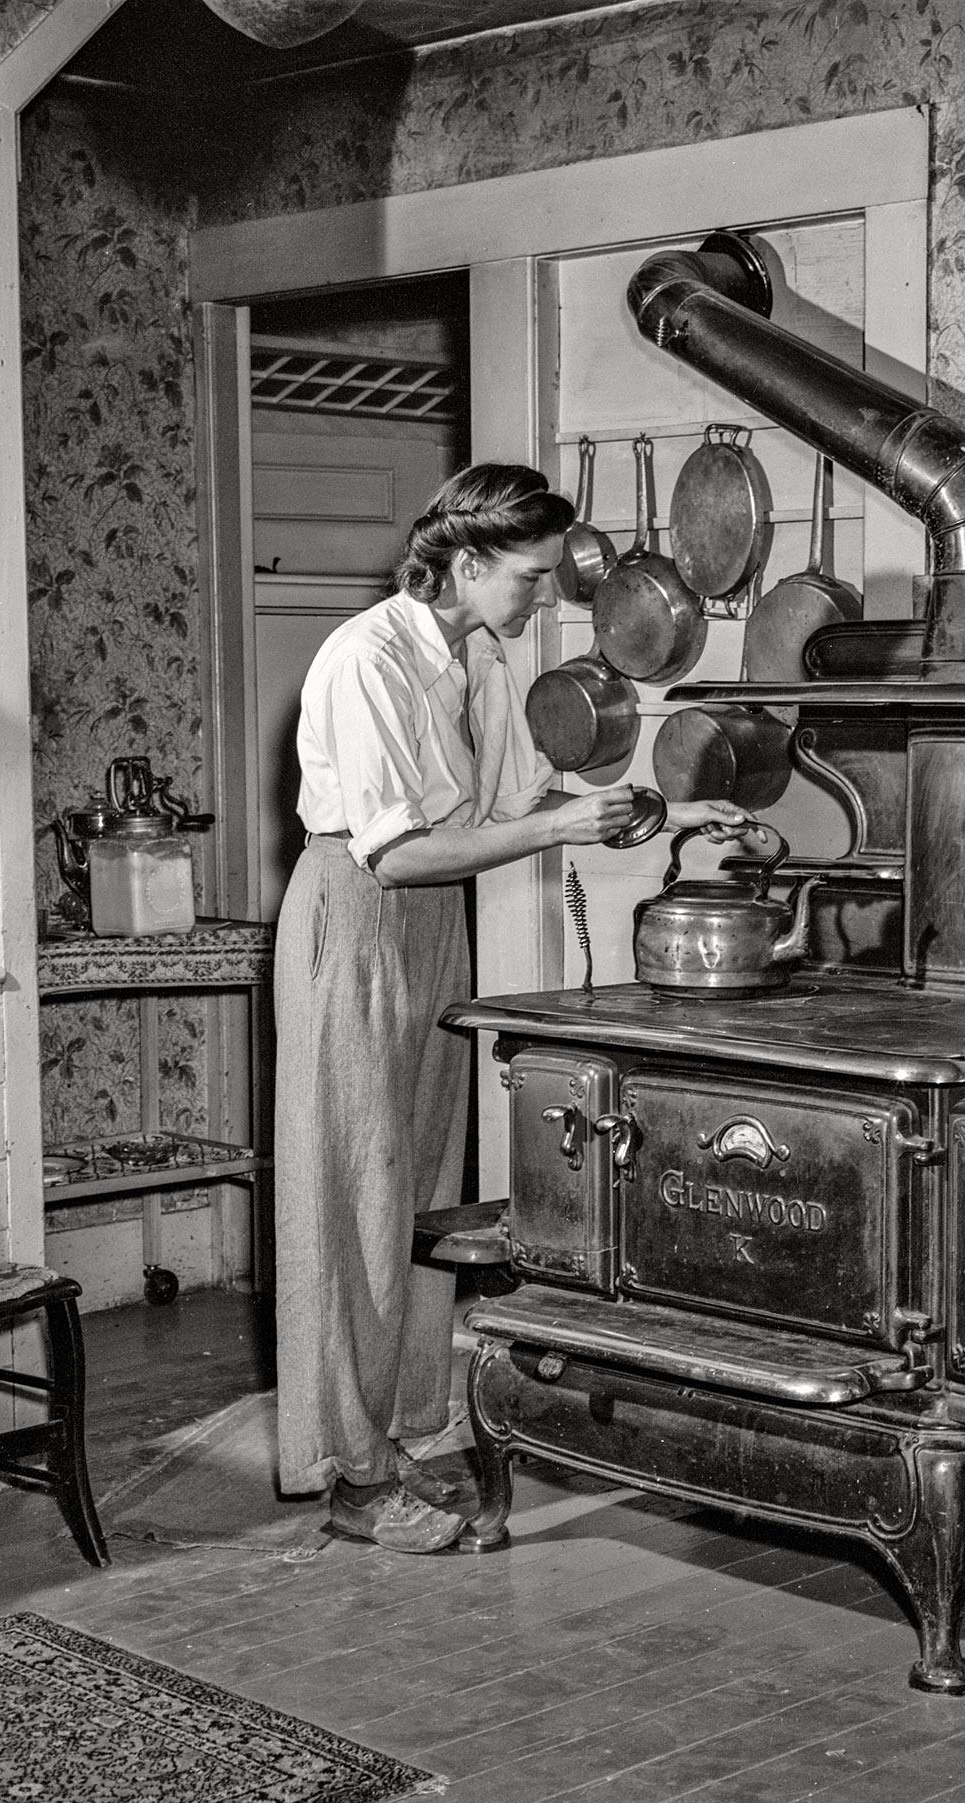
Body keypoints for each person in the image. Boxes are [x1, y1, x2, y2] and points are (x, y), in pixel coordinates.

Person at [275, 461, 751, 1553]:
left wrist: (641, 804)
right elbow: (395, 849)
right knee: (353, 1194)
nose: (546, 596)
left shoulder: (477, 652)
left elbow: (506, 803)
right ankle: (349, 1476)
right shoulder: (367, 657)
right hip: (355, 917)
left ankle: (403, 1434)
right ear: (469, 560)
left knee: (421, 1185)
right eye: (532, 575)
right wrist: (554, 832)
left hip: (434, 925)